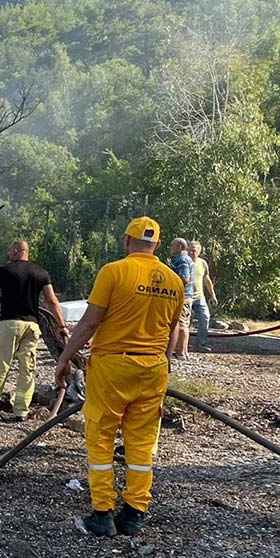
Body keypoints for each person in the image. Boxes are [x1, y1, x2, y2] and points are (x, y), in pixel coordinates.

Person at [56, 217, 183, 537]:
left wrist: (64, 357)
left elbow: (88, 323)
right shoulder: (174, 281)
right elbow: (174, 331)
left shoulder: (113, 271)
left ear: (127, 241)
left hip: (113, 366)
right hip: (153, 368)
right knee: (141, 444)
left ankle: (102, 514)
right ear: (156, 245)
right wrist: (163, 369)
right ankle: (134, 514)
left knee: (100, 437)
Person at [0, 240, 69, 422]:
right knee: (27, 369)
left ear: (15, 251)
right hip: (32, 326)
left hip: (9, 324)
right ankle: (21, 411)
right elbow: (52, 301)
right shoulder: (41, 273)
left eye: (10, 252)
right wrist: (62, 326)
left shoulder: (5, 271)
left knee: (2, 366)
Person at [167, 238, 195, 359]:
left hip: (183, 297)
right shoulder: (183, 259)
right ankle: (180, 351)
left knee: (182, 323)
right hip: (184, 296)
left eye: (172, 246)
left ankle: (181, 352)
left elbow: (185, 278)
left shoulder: (182, 260)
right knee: (181, 322)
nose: (170, 248)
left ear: (179, 247)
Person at [189, 241, 218, 352]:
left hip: (199, 297)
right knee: (185, 321)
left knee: (205, 317)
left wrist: (212, 295)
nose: (191, 252)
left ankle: (201, 343)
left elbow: (206, 279)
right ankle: (182, 344)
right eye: (189, 249)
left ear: (199, 252)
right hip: (186, 297)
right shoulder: (183, 262)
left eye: (194, 250)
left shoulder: (202, 263)